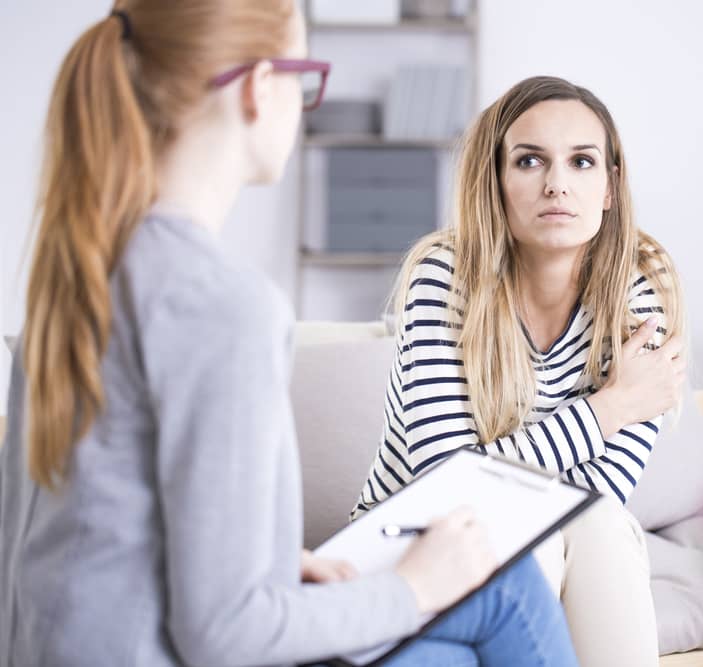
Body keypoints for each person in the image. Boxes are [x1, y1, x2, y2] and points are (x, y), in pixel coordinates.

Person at [0, 4, 578, 666]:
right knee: (505, 591)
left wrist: (276, 563)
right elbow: (226, 634)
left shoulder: (75, 277)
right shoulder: (221, 305)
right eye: (307, 78)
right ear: (258, 86)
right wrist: (411, 585)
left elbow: (79, 546)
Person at [352, 75, 688, 667]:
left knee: (602, 526)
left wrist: (516, 462)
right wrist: (609, 408)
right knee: (538, 534)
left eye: (582, 162)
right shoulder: (445, 278)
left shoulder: (637, 305)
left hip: (561, 544)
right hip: (411, 551)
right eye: (530, 160)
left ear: (610, 187)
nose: (557, 184)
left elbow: (598, 494)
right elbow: (448, 487)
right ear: (498, 181)